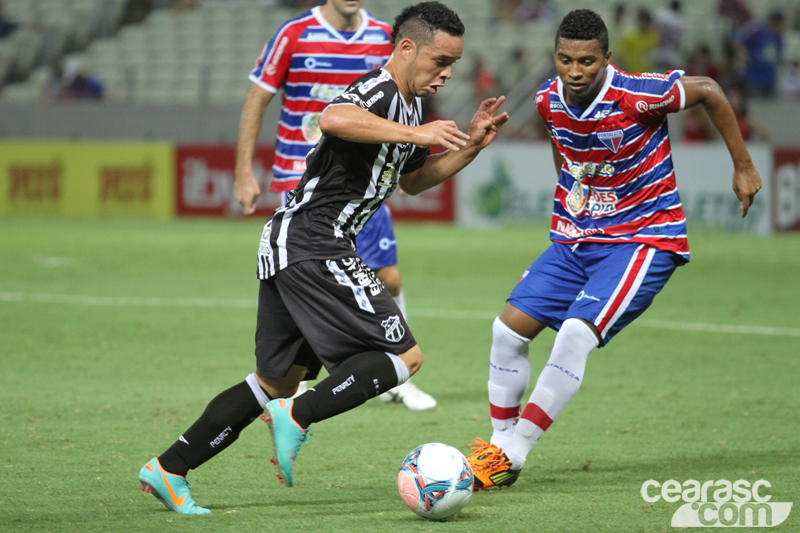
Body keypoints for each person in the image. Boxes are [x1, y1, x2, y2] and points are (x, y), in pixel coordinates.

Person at [139, 1, 509, 514]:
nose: (447, 75)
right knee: (405, 357)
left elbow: (414, 181)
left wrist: (468, 148)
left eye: (453, 65)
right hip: (316, 242)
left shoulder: (411, 105)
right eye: (440, 61)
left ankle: (169, 468)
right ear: (406, 49)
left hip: (294, 244)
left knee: (274, 381)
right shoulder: (381, 90)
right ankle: (301, 414)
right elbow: (333, 117)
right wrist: (415, 133)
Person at [465, 8, 761, 490]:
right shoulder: (546, 100)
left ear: (606, 57)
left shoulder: (640, 93)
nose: (575, 71)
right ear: (555, 56)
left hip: (643, 238)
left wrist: (743, 165)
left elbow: (709, 89)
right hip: (576, 237)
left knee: (575, 335)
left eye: (586, 61)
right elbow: (566, 151)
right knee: (506, 333)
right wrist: (574, 197)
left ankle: (514, 451)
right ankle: (499, 448)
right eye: (565, 60)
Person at [235, 0, 436, 411]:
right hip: (304, 176)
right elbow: (257, 99)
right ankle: (311, 381)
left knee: (389, 278)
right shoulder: (294, 34)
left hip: (365, 176)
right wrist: (243, 171)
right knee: (315, 278)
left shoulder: (387, 37)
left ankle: (394, 373)